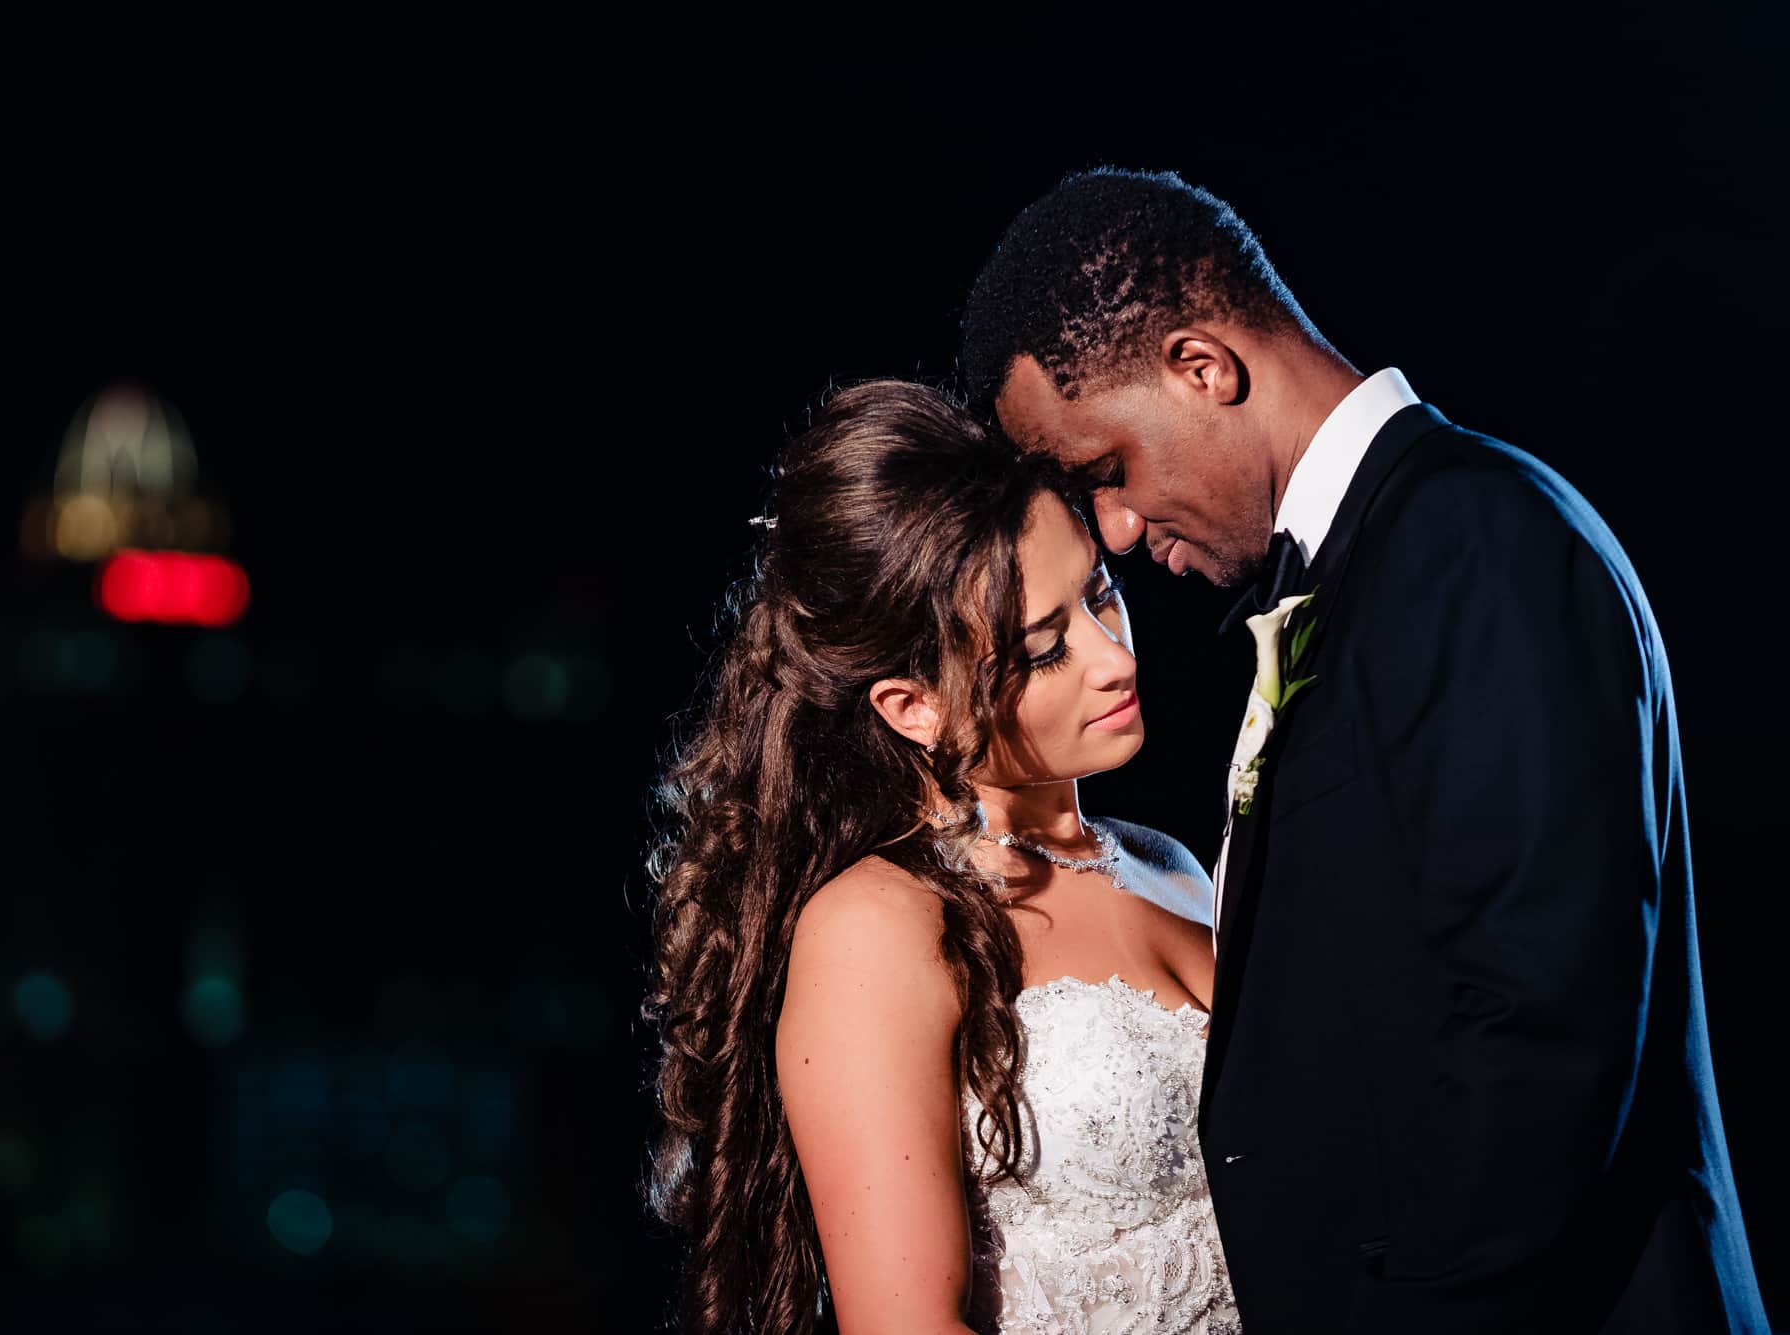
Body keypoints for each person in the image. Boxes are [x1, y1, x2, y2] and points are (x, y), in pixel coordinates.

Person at [960, 167, 1769, 1333]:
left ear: (1202, 367)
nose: (1120, 533)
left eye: (1106, 473)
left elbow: (1537, 1028)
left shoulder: (1471, 539)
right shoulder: (1367, 568)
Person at [644, 379, 1242, 1334]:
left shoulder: (1167, 862)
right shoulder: (877, 927)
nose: (1114, 657)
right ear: (913, 705)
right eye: (1044, 649)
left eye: (1100, 594)